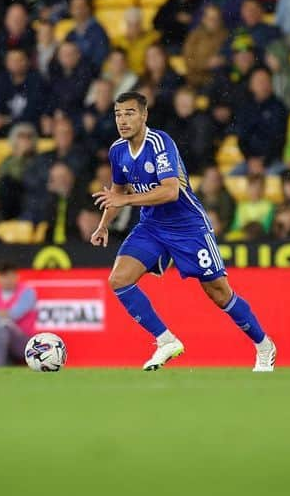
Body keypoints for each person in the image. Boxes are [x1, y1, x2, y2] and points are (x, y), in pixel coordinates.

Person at [90, 91, 276, 372]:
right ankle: (166, 341)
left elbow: (170, 191)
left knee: (219, 293)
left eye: (129, 113)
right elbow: (116, 193)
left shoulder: (160, 143)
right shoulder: (117, 150)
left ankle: (264, 345)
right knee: (119, 279)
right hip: (152, 226)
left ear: (144, 115)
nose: (123, 120)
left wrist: (126, 200)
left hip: (188, 227)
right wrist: (103, 225)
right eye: (118, 114)